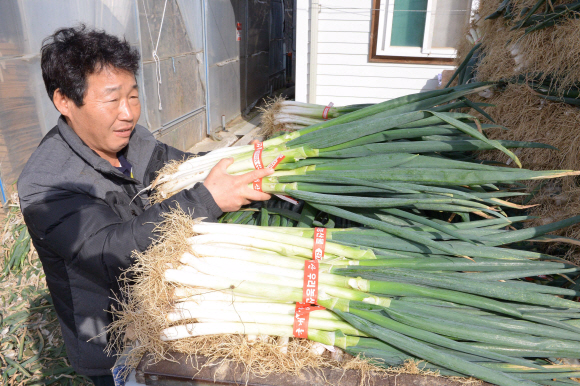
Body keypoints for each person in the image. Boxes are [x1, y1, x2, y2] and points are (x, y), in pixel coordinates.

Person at [17, 25, 272, 385]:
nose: (128, 113)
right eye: (112, 99)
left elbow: (178, 169)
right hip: (110, 339)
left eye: (133, 96)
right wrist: (206, 199)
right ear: (64, 101)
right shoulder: (46, 184)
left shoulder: (132, 140)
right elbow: (108, 250)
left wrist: (245, 168)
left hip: (168, 321)